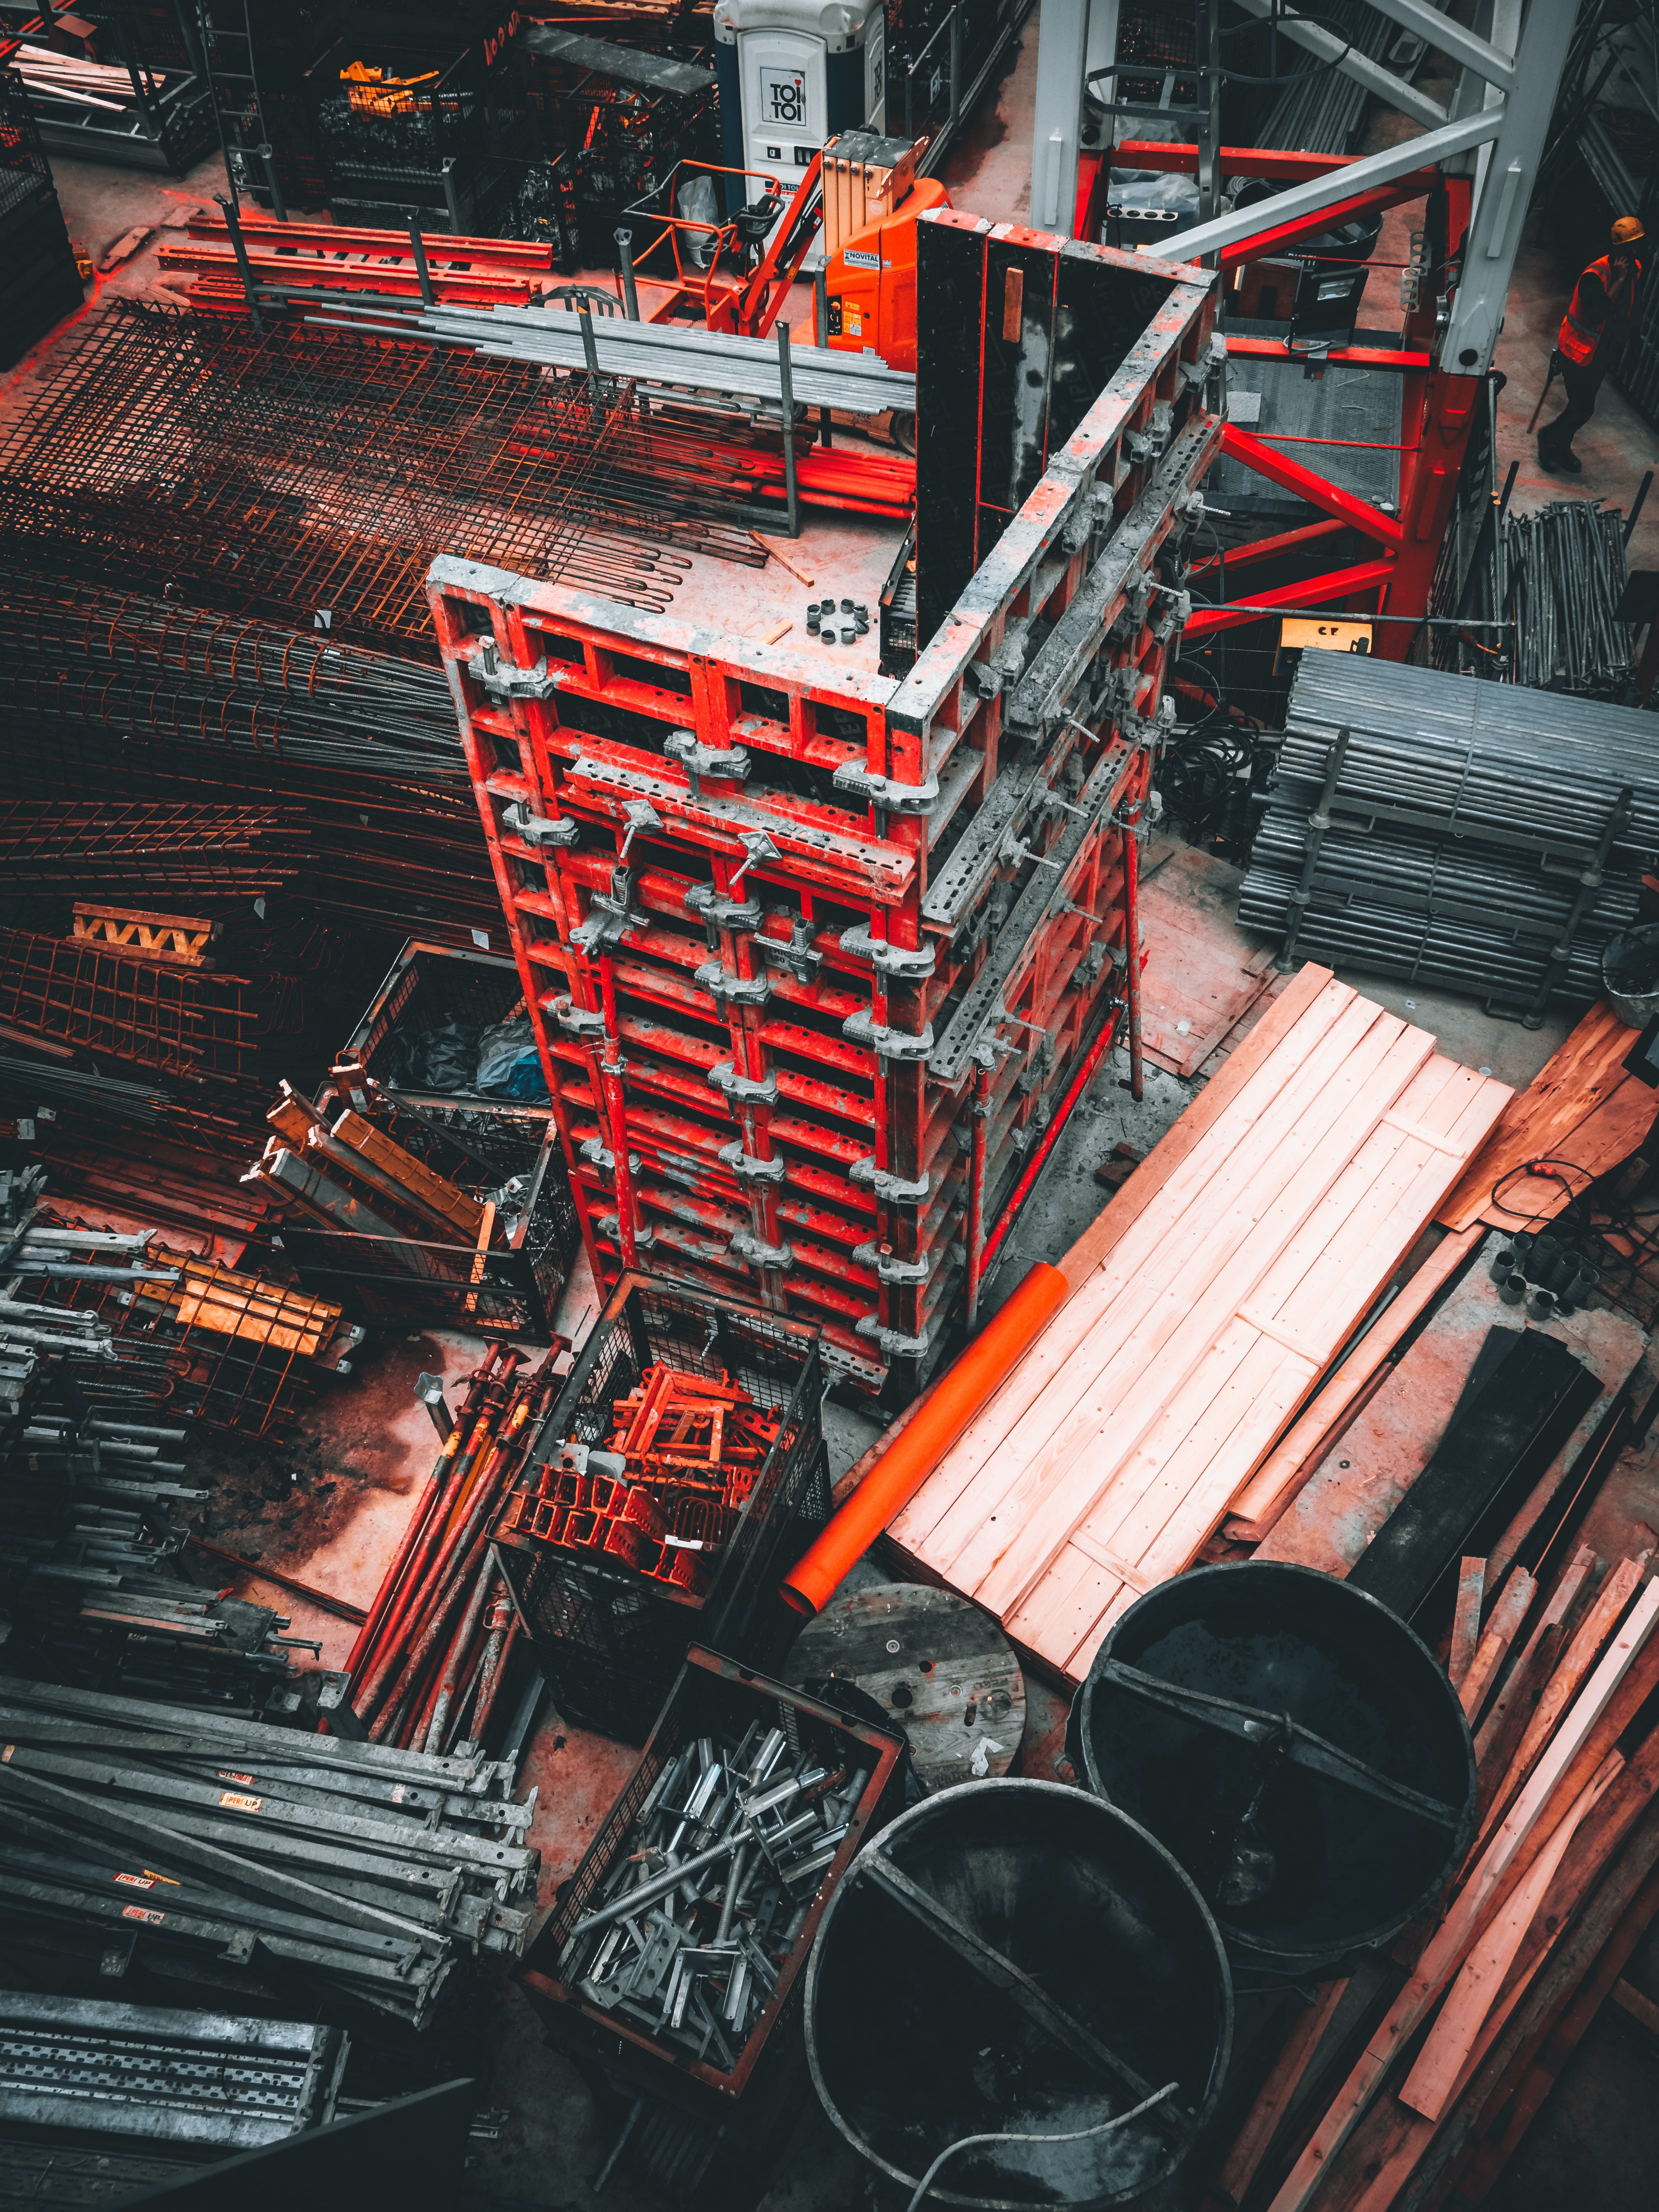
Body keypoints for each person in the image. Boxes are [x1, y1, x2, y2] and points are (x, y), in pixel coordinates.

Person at [1538, 215, 1646, 474]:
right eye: (1628, 247)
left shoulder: (1636, 269)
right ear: (1616, 247)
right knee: (1583, 408)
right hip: (1577, 353)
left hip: (1601, 353)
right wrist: (1619, 280)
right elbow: (1598, 314)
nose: (1633, 252)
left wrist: (1633, 344)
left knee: (1583, 406)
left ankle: (1562, 447)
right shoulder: (1595, 275)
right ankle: (1549, 439)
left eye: (1636, 246)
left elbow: (1633, 307)